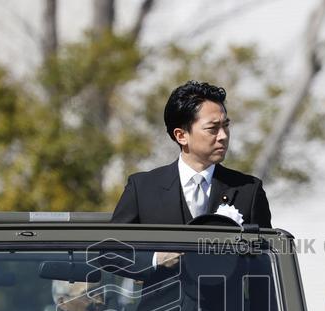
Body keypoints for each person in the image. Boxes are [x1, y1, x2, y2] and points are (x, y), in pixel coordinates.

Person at [111, 80, 271, 227]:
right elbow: (110, 253)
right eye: (212, 129)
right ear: (181, 136)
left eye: (225, 126)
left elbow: (266, 254)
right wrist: (155, 259)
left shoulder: (249, 190)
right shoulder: (142, 188)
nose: (223, 136)